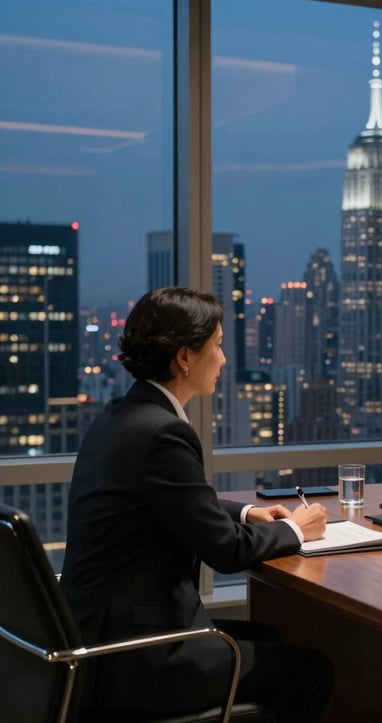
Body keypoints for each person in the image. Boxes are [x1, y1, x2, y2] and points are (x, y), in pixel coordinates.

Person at [61, 287, 333, 722]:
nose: (224, 360)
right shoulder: (163, 434)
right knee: (311, 670)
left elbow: (175, 500)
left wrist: (246, 512)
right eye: (218, 346)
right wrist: (297, 530)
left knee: (269, 637)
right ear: (185, 357)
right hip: (139, 659)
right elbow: (226, 551)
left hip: (96, 642)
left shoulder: (121, 415)